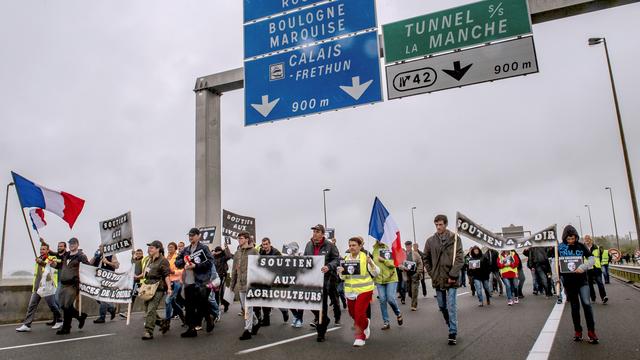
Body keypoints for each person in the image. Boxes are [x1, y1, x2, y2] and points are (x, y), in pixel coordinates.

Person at [423, 214, 464, 345]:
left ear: (445, 224)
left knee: (451, 306)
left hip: (451, 278)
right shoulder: (430, 241)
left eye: (440, 224)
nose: (438, 227)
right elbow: (426, 258)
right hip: (438, 278)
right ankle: (449, 321)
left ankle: (453, 332)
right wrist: (432, 273)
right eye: (436, 225)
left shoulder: (455, 238)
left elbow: (460, 258)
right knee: (442, 306)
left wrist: (453, 275)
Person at [559, 225, 598, 344]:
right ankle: (578, 331)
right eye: (568, 239)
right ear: (565, 238)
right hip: (569, 282)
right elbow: (552, 260)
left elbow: (592, 259)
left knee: (586, 303)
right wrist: (556, 275)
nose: (571, 241)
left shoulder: (581, 246)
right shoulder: (559, 247)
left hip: (582, 280)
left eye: (573, 238)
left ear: (576, 237)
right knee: (575, 307)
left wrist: (584, 266)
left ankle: (591, 331)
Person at [338, 236, 378, 347]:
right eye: (350, 245)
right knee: (353, 314)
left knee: (359, 313)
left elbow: (376, 273)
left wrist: (371, 263)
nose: (352, 247)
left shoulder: (365, 257)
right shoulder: (346, 258)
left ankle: (360, 337)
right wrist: (341, 272)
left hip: (365, 290)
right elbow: (343, 278)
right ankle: (366, 323)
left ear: (360, 246)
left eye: (354, 245)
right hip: (350, 291)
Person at [175, 228, 214, 338]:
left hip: (200, 281)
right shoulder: (186, 250)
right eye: (189, 235)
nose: (190, 237)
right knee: (189, 307)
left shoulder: (204, 248)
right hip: (188, 282)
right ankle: (191, 329)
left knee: (202, 304)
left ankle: (209, 319)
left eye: (193, 235)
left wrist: (195, 266)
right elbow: (177, 263)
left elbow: (210, 262)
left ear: (198, 236)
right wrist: (184, 260)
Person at [304, 224, 340, 342]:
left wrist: (329, 266)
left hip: (325, 280)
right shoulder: (308, 245)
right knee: (310, 303)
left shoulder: (330, 245)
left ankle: (321, 332)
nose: (314, 233)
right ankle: (325, 319)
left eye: (317, 231)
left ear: (323, 234)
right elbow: (305, 259)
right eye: (314, 231)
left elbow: (337, 259)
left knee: (322, 306)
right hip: (311, 280)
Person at [16, 242, 63, 332]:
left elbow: (53, 266)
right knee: (31, 305)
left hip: (48, 287)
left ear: (48, 250)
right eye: (41, 249)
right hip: (38, 286)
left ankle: (60, 320)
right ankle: (27, 325)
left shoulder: (52, 258)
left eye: (44, 249)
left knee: (52, 305)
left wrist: (42, 263)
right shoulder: (38, 258)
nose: (42, 251)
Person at [52, 237, 88, 335]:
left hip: (72, 285)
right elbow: (60, 266)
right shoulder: (66, 255)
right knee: (63, 306)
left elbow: (88, 268)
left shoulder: (81, 256)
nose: (72, 245)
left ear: (77, 244)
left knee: (67, 306)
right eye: (70, 243)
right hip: (63, 284)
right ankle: (80, 317)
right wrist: (53, 265)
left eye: (74, 243)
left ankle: (66, 328)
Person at [137, 240, 171, 340]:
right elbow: (144, 275)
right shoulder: (149, 260)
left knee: (151, 309)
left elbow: (166, 275)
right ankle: (162, 322)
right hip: (148, 287)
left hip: (158, 287)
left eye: (151, 247)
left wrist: (169, 288)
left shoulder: (163, 260)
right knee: (148, 310)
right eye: (149, 247)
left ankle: (148, 331)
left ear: (158, 249)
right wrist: (134, 277)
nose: (149, 249)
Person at [231, 231, 260, 340]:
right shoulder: (237, 253)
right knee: (245, 307)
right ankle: (256, 322)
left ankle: (247, 329)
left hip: (251, 283)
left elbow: (261, 266)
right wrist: (232, 285)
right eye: (238, 238)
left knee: (248, 307)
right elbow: (234, 270)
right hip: (241, 283)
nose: (239, 240)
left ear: (247, 239)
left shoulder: (254, 251)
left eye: (241, 238)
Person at [255, 237, 290, 326]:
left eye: (267, 244)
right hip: (265, 280)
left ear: (270, 244)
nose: (265, 246)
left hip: (275, 279)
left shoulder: (276, 253)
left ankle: (284, 311)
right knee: (265, 299)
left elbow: (282, 266)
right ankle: (266, 320)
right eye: (263, 245)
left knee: (276, 300)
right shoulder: (261, 252)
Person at [372, 238, 403, 330]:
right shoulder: (375, 250)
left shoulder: (390, 248)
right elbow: (374, 265)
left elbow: (395, 263)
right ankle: (386, 322)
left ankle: (398, 313)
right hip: (379, 280)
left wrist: (384, 260)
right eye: (378, 237)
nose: (379, 239)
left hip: (391, 278)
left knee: (390, 298)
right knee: (382, 300)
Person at [90, 245, 119, 324]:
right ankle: (111, 309)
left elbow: (116, 265)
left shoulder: (111, 255)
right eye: (99, 247)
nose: (100, 249)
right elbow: (89, 264)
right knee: (96, 296)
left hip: (107, 279)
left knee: (103, 298)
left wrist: (107, 262)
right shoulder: (98, 256)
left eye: (101, 247)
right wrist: (94, 257)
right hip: (98, 279)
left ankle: (102, 317)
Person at [165, 242, 185, 327]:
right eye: (169, 247)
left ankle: (167, 322)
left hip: (176, 282)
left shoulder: (178, 257)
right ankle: (184, 319)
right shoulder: (166, 258)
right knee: (173, 303)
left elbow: (183, 270)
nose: (170, 248)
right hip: (168, 282)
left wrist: (174, 272)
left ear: (175, 248)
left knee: (168, 301)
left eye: (172, 247)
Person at [584, 235, 608, 304]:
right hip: (588, 268)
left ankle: (604, 297)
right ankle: (593, 297)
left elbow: (599, 257)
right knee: (590, 284)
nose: (587, 240)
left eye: (588, 239)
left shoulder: (596, 248)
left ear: (591, 240)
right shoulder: (583, 249)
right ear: (584, 240)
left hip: (596, 268)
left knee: (600, 283)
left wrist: (598, 264)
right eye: (586, 239)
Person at [402, 241, 423, 311]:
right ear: (405, 246)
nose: (408, 247)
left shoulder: (416, 254)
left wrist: (418, 272)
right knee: (410, 291)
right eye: (407, 246)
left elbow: (420, 263)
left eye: (409, 246)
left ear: (411, 246)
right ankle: (412, 297)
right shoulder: (403, 255)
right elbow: (399, 264)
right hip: (407, 275)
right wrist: (402, 267)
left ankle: (414, 305)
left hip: (415, 275)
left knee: (414, 290)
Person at [213, 244, 233, 313]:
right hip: (216, 277)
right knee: (216, 292)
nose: (217, 252)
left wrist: (226, 248)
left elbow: (229, 256)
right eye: (216, 251)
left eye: (219, 251)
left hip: (225, 276)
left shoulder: (224, 257)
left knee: (223, 292)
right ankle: (216, 307)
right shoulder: (213, 257)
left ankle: (226, 305)